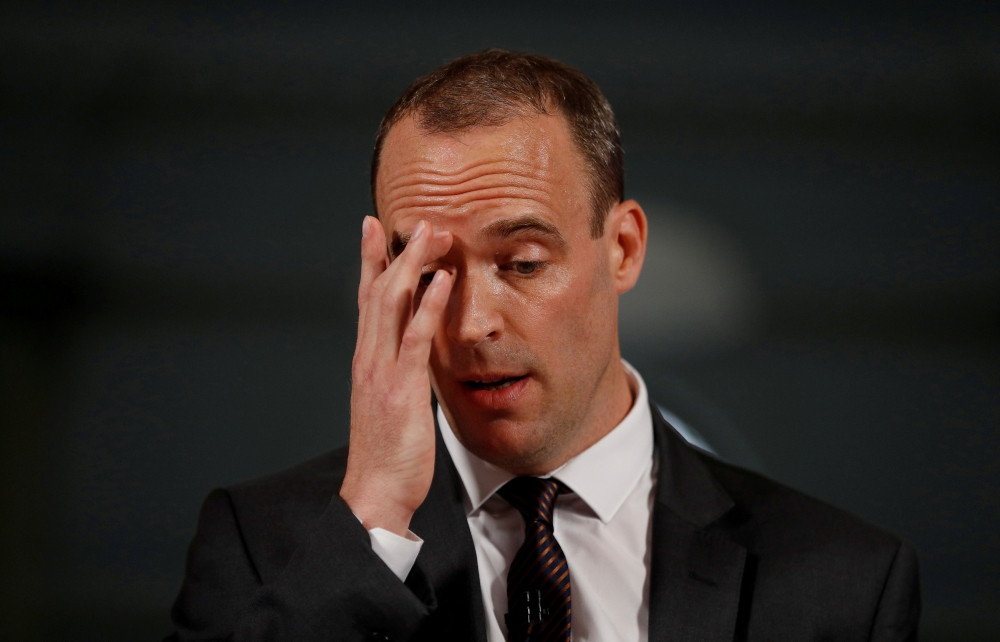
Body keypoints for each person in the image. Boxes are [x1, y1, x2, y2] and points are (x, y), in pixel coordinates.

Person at [167, 49, 920, 642]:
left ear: (621, 248)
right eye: (428, 271)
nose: (468, 325)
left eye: (522, 263)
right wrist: (369, 526)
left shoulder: (845, 582)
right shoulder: (260, 546)